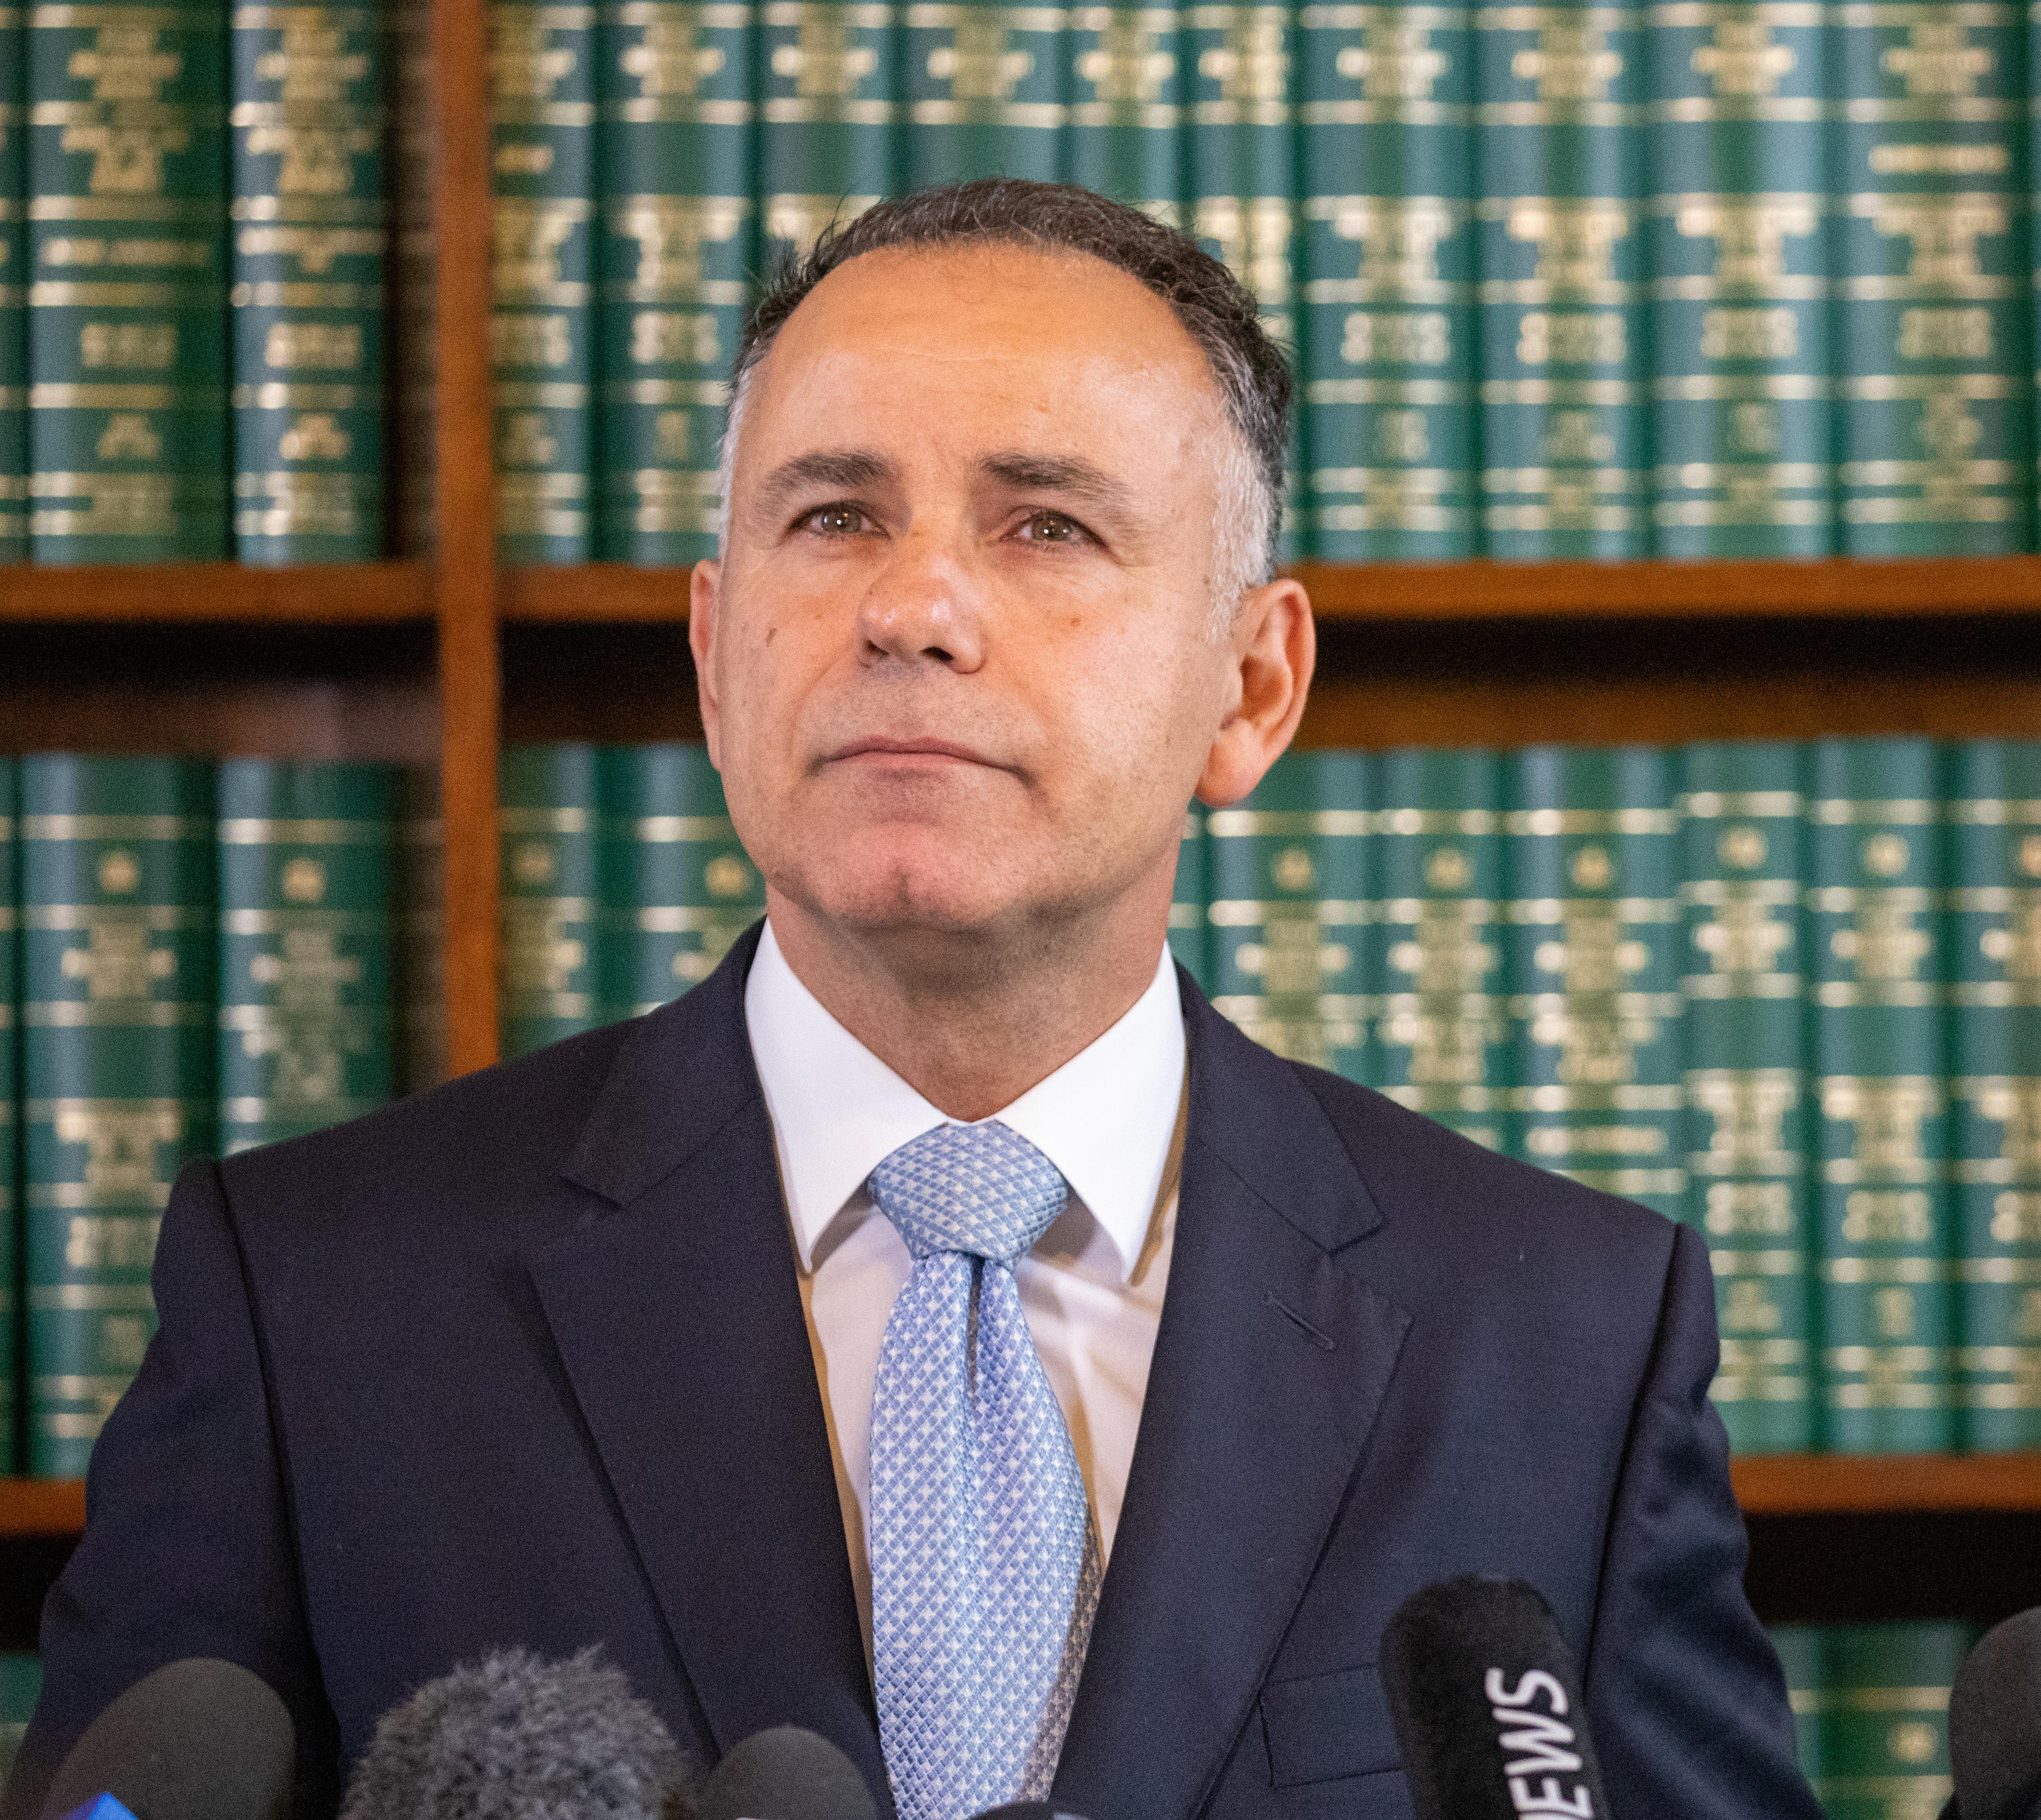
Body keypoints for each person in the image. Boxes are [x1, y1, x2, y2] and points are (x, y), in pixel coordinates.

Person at [2, 181, 1819, 1820]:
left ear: (1253, 688)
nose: (916, 606)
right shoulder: (317, 1296)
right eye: (835, 514)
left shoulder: (1568, 1343)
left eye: (1044, 528)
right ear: (716, 660)